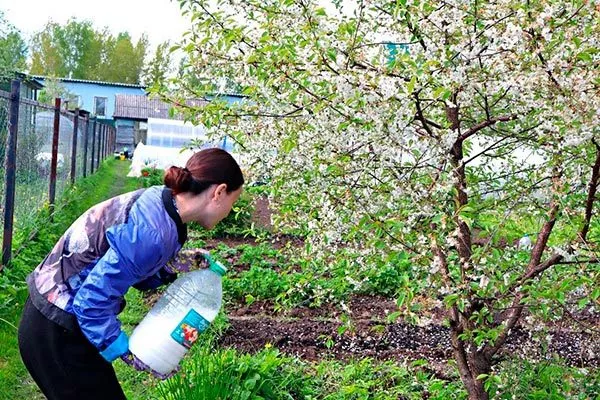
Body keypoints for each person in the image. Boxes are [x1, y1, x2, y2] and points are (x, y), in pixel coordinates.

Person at [18, 148, 244, 400]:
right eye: (233, 202)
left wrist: (176, 264)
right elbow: (91, 302)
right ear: (219, 192)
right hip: (56, 331)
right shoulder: (154, 232)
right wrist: (128, 352)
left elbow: (131, 267)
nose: (229, 212)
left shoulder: (163, 205)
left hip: (56, 320)